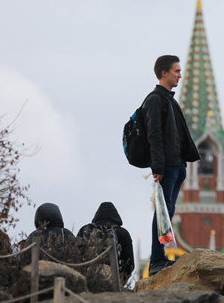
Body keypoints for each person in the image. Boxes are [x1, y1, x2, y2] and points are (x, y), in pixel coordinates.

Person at [144, 55, 200, 276]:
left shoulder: (170, 100)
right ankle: (157, 259)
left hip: (177, 165)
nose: (180, 74)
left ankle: (161, 257)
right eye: (176, 71)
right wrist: (157, 166)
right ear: (163, 73)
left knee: (168, 211)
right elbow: (154, 135)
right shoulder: (155, 100)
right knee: (162, 212)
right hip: (166, 166)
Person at [78, 202, 135, 282]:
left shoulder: (85, 230)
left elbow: (76, 257)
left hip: (87, 279)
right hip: (113, 280)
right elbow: (130, 265)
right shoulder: (123, 233)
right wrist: (121, 282)